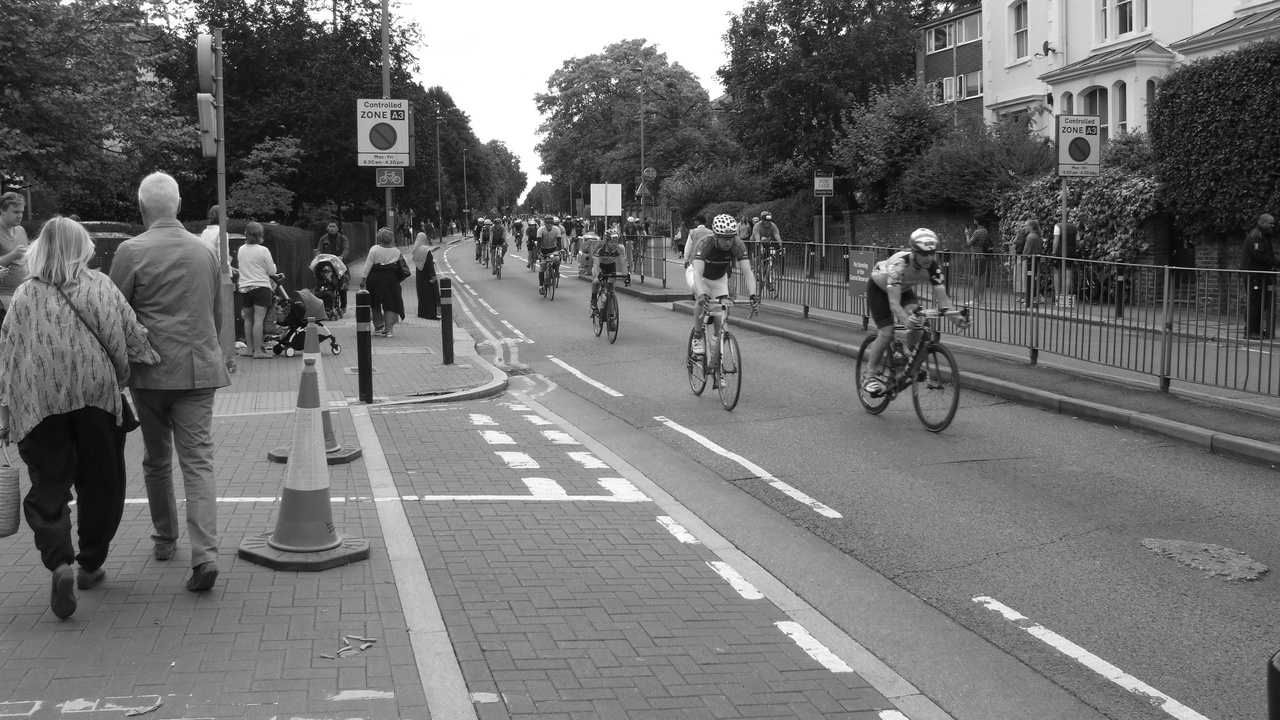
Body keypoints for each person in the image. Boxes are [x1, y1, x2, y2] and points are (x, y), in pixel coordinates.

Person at [0, 216, 159, 619]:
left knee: (48, 484)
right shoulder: (100, 285)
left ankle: (59, 562)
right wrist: (127, 372)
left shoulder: (23, 296)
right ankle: (90, 562)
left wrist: (7, 408)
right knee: (102, 480)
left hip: (39, 404)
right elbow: (129, 336)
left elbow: (8, 355)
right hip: (96, 398)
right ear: (83, 247)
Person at [110, 171, 229, 593]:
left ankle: (165, 538)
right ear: (178, 206)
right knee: (198, 462)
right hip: (200, 368)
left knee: (157, 459)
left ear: (142, 208)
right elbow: (216, 315)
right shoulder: (206, 250)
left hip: (151, 373)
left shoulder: (130, 251)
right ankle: (206, 555)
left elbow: (116, 317)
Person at [861, 229, 967, 397]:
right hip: (880, 289)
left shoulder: (933, 268)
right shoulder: (899, 265)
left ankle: (909, 361)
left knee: (918, 321)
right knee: (887, 332)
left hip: (904, 289)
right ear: (914, 252)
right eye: (924, 253)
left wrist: (957, 318)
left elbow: (944, 301)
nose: (929, 257)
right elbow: (893, 303)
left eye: (932, 253)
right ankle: (869, 376)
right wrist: (904, 319)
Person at [689, 214, 759, 370]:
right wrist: (700, 294)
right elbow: (697, 275)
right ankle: (698, 336)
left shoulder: (738, 245)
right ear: (715, 236)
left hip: (719, 279)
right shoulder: (704, 244)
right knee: (704, 298)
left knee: (721, 314)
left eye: (731, 237)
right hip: (699, 276)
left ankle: (715, 342)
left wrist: (753, 295)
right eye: (724, 238)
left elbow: (748, 273)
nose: (728, 242)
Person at [235, 222, 278, 359]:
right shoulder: (263, 250)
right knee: (259, 319)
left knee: (248, 319)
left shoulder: (241, 249)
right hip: (261, 287)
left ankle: (249, 349)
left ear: (246, 233)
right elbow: (271, 271)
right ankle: (258, 351)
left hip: (245, 287)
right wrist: (274, 269)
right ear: (260, 234)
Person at [360, 227, 405, 337]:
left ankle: (378, 327)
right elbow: (403, 265)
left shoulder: (374, 249)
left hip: (375, 278)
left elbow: (368, 265)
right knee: (390, 304)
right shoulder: (396, 251)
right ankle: (389, 330)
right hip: (391, 279)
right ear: (391, 238)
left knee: (375, 303)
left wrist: (363, 279)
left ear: (379, 237)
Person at [1243, 213, 1278, 339]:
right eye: (1271, 223)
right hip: (1253, 275)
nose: (1273, 226)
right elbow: (1259, 255)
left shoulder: (1263, 236)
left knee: (1261, 304)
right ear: (1263, 223)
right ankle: (1250, 331)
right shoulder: (1256, 236)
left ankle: (1256, 329)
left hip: (1260, 275)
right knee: (1254, 303)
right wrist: (1276, 263)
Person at [0, 191, 31, 324]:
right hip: (4, 296)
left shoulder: (21, 230)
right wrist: (13, 255)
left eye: (21, 212)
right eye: (15, 212)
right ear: (2, 210)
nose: (19, 216)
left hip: (24, 293)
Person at [590, 229, 627, 317]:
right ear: (606, 241)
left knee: (611, 289)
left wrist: (626, 277)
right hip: (600, 265)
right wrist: (599, 276)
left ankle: (611, 316)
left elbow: (624, 264)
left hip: (610, 265)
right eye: (612, 242)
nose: (614, 244)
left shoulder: (620, 248)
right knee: (597, 281)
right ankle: (593, 299)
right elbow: (596, 265)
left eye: (616, 241)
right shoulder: (599, 247)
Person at [316, 222, 350, 314]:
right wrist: (319, 256)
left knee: (342, 285)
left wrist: (342, 256)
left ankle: (343, 306)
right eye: (330, 226)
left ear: (337, 228)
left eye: (334, 226)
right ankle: (327, 305)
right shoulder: (323, 239)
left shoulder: (342, 238)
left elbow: (346, 249)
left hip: (340, 264)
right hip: (328, 264)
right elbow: (319, 249)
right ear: (327, 228)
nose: (332, 228)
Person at [964, 216, 994, 306]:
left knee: (976, 279)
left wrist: (967, 234)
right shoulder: (985, 231)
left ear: (977, 221)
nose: (973, 221)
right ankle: (981, 298)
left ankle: (975, 299)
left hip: (977, 257)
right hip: (983, 257)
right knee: (981, 279)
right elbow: (979, 242)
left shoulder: (977, 232)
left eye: (974, 220)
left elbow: (969, 243)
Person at [1051, 220, 1079, 305]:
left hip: (1059, 252)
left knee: (1056, 271)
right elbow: (1077, 242)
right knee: (1068, 273)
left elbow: (1056, 239)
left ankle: (1057, 296)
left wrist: (1053, 253)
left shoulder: (1058, 226)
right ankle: (1065, 295)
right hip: (1071, 253)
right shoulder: (1075, 228)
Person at [683, 215, 713, 294]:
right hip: (707, 258)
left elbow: (688, 247)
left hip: (695, 259)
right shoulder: (710, 232)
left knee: (695, 276)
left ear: (698, 221)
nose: (694, 222)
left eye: (695, 221)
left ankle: (697, 293)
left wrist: (686, 259)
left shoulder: (693, 232)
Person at [412, 232, 439, 319]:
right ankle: (430, 314)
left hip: (420, 275)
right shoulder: (426, 250)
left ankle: (422, 313)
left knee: (422, 294)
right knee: (430, 295)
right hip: (427, 275)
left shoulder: (415, 250)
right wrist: (433, 276)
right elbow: (429, 264)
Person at [536, 215, 564, 294]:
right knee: (542, 267)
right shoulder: (540, 230)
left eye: (551, 223)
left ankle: (552, 271)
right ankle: (541, 286)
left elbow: (558, 241)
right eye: (547, 223)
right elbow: (538, 242)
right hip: (543, 250)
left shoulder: (557, 229)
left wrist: (560, 249)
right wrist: (539, 252)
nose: (549, 225)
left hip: (553, 249)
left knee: (557, 259)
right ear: (544, 223)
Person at [1019, 219, 1044, 306]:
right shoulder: (1037, 236)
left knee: (1028, 280)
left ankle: (1029, 300)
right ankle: (1036, 298)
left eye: (1026, 226)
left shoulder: (1030, 237)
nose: (1025, 228)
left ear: (1031, 227)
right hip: (1036, 260)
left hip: (1029, 260)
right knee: (1034, 279)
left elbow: (1026, 249)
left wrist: (1023, 258)